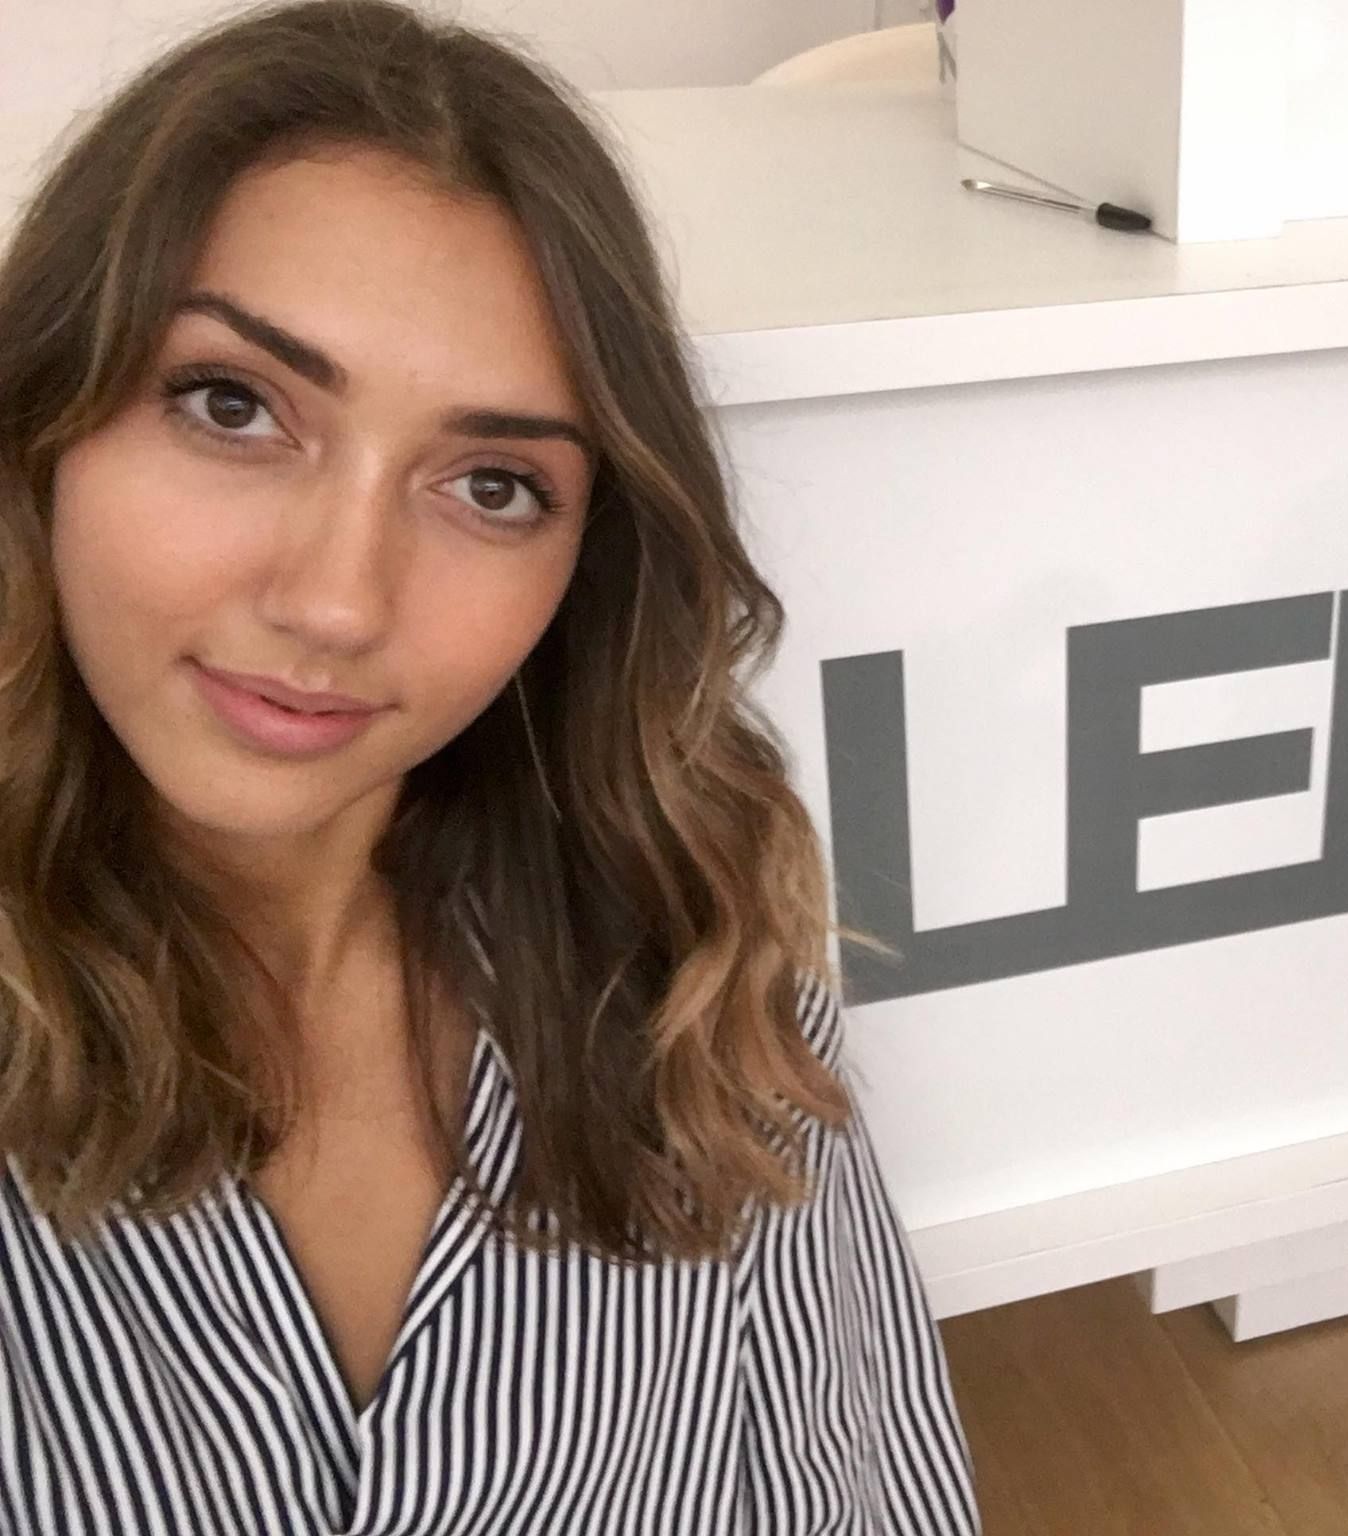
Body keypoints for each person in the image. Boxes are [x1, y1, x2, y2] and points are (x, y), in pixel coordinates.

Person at [0, 2, 982, 1530]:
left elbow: (851, 1472)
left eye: (493, 486)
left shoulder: (679, 946)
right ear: (43, 426)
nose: (338, 603)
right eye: (232, 405)